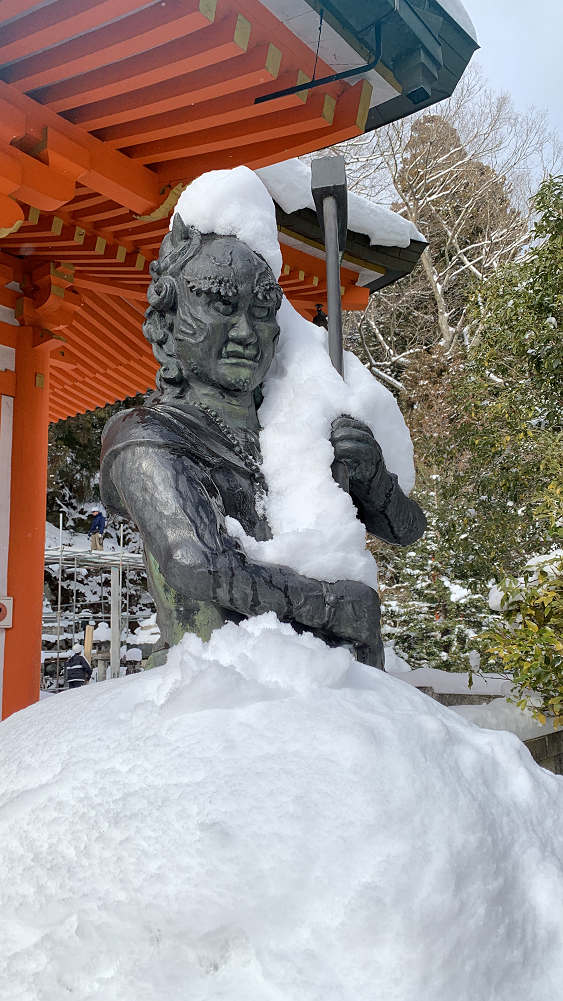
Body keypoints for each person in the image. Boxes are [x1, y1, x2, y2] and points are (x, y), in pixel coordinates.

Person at [100, 216, 426, 669]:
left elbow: (408, 530)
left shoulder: (294, 431)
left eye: (260, 311)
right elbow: (199, 563)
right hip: (219, 687)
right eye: (219, 304)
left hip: (333, 685)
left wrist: (373, 479)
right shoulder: (145, 434)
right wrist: (334, 605)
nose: (244, 333)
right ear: (166, 325)